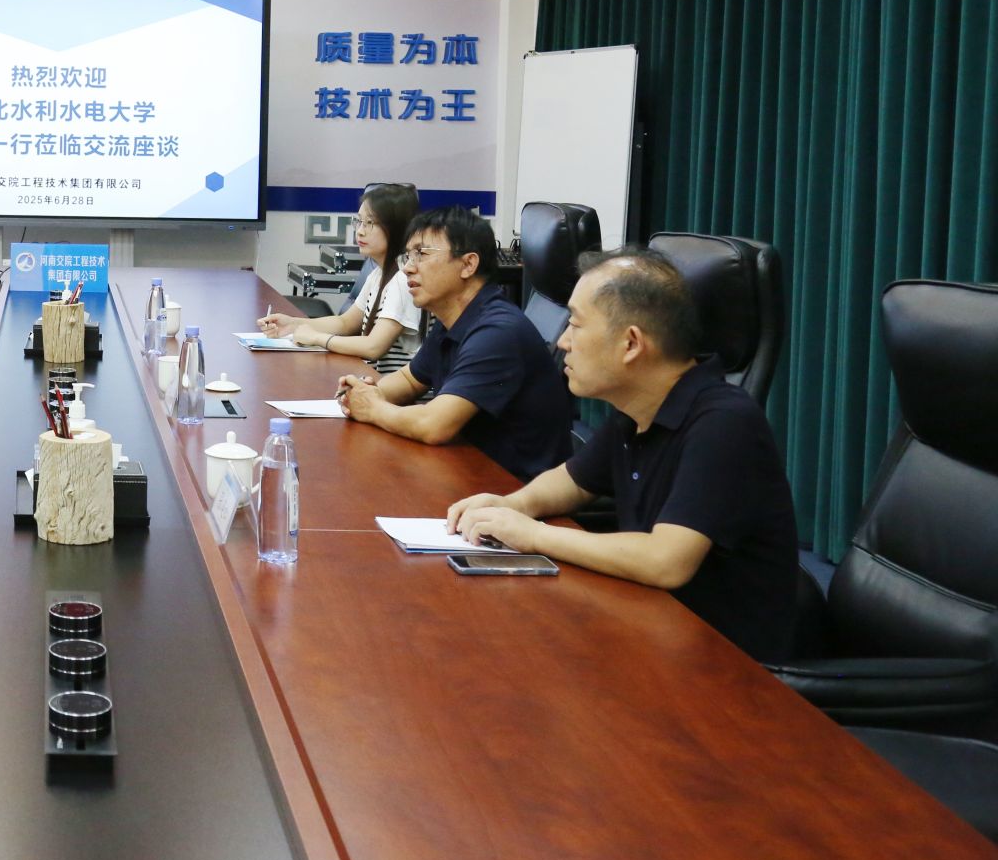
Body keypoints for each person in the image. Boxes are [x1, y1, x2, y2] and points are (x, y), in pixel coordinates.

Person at [446, 246, 800, 662]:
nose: (562, 341)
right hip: (653, 626)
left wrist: (534, 536)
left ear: (631, 343)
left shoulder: (724, 422)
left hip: (725, 662)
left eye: (576, 324)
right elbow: (572, 481)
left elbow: (666, 561)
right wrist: (513, 505)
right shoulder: (637, 409)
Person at [335, 206, 574, 479]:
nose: (408, 268)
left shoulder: (497, 331)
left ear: (468, 264)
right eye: (408, 256)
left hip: (512, 486)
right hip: (468, 469)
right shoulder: (452, 318)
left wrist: (373, 408)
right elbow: (410, 381)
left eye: (422, 254)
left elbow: (434, 425)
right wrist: (365, 392)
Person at [257, 183, 423, 372]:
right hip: (370, 380)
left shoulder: (403, 279)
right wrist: (293, 324)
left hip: (392, 388)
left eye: (370, 223)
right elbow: (345, 322)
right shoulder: (379, 274)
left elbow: (373, 347)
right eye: (359, 221)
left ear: (396, 228)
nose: (360, 231)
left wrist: (317, 338)